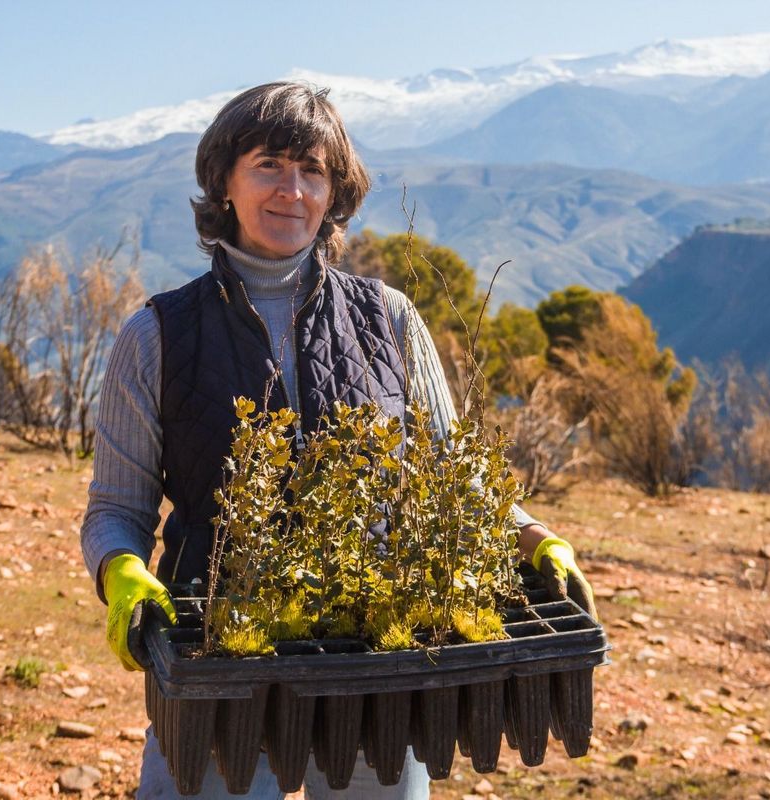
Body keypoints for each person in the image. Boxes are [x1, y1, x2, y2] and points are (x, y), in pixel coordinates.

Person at [81, 81, 596, 799]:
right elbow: (116, 509)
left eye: (312, 171)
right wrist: (121, 572)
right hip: (218, 657)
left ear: (334, 194)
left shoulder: (389, 318)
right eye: (268, 164)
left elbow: (453, 475)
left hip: (377, 657)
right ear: (224, 181)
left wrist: (533, 536)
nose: (291, 190)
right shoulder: (157, 335)